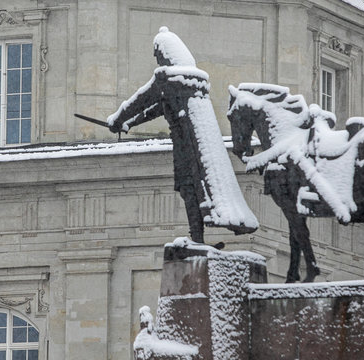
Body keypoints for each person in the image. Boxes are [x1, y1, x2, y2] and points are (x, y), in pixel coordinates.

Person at [108, 26, 258, 244]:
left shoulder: (167, 78)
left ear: (165, 54)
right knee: (195, 189)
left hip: (186, 145)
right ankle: (198, 239)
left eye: (158, 55)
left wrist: (118, 118)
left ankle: (197, 239)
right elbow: (158, 107)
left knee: (189, 188)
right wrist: (129, 124)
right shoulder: (191, 82)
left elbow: (142, 100)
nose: (158, 60)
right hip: (198, 143)